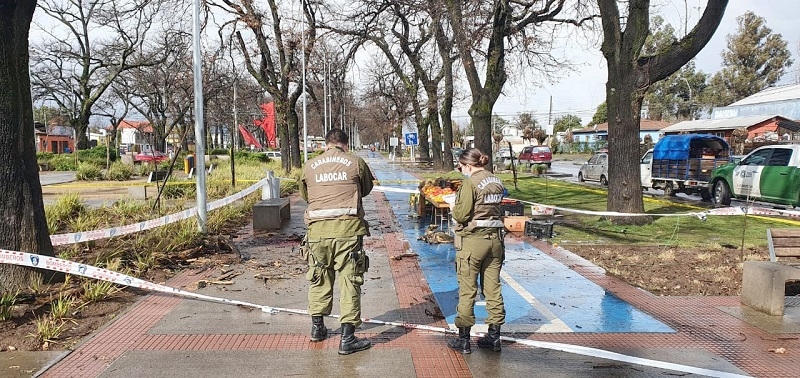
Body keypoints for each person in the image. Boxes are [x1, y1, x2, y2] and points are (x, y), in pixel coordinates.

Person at [300, 128, 375, 355]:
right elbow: (367, 189)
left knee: (318, 279)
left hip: (317, 233)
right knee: (350, 281)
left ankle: (317, 328)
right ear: (345, 144)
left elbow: (305, 195)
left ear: (326, 145)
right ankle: (348, 338)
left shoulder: (309, 166)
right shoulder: (355, 162)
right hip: (348, 233)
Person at [447, 148, 506, 354]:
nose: (460, 170)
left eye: (461, 166)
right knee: (493, 288)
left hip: (473, 241)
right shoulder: (496, 181)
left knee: (467, 289)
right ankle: (494, 337)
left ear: (468, 165)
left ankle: (463, 339)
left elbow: (462, 215)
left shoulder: (469, 183)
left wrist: (453, 206)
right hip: (495, 241)